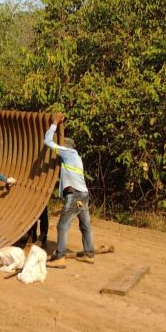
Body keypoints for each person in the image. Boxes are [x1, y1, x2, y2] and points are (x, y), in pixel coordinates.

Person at [44, 113, 95, 268]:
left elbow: (47, 141)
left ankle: (60, 257)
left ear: (65, 147)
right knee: (85, 225)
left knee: (62, 226)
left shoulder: (68, 153)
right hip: (84, 195)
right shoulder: (76, 157)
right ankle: (89, 254)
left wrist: (54, 123)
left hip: (75, 196)